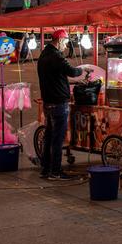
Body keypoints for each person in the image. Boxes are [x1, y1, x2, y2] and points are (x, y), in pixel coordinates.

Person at [37, 29, 83, 181]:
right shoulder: (56, 56)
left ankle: (45, 169)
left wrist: (74, 81)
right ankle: (56, 171)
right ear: (60, 41)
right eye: (65, 43)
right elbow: (71, 71)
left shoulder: (43, 55)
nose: (65, 46)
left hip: (48, 103)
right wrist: (82, 70)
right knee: (57, 139)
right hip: (58, 104)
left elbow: (57, 78)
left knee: (49, 137)